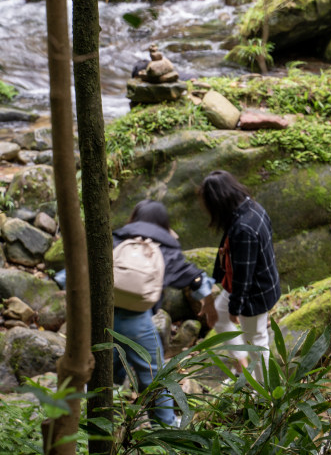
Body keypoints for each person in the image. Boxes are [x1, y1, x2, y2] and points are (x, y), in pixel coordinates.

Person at [112, 199, 217, 427]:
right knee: (155, 377)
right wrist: (208, 303)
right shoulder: (164, 247)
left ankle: (92, 417)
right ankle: (165, 427)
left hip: (104, 318)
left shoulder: (117, 239)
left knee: (102, 369)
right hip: (138, 321)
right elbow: (195, 278)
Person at [200, 170, 280, 383]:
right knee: (218, 315)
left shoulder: (243, 227)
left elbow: (244, 275)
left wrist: (236, 307)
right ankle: (245, 368)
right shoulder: (251, 207)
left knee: (256, 341)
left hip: (254, 294)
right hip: (262, 283)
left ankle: (266, 394)